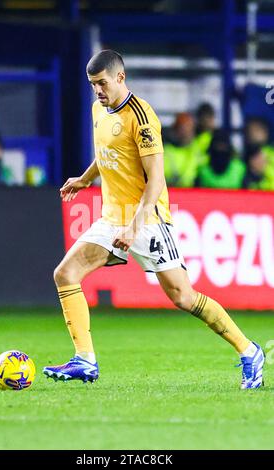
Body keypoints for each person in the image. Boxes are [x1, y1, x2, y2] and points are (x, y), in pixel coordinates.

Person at [43, 50, 264, 389]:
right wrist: (86, 178)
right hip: (111, 216)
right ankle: (85, 360)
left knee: (183, 297)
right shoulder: (98, 109)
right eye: (93, 85)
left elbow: (156, 180)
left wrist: (134, 227)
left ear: (120, 77)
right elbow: (107, 152)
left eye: (102, 83)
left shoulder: (142, 117)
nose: (98, 91)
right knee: (65, 273)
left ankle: (249, 351)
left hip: (148, 219)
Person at [164, 113, 207, 187]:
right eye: (183, 128)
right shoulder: (166, 151)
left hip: (193, 192)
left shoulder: (198, 147)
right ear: (176, 130)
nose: (186, 132)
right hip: (170, 191)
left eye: (190, 128)